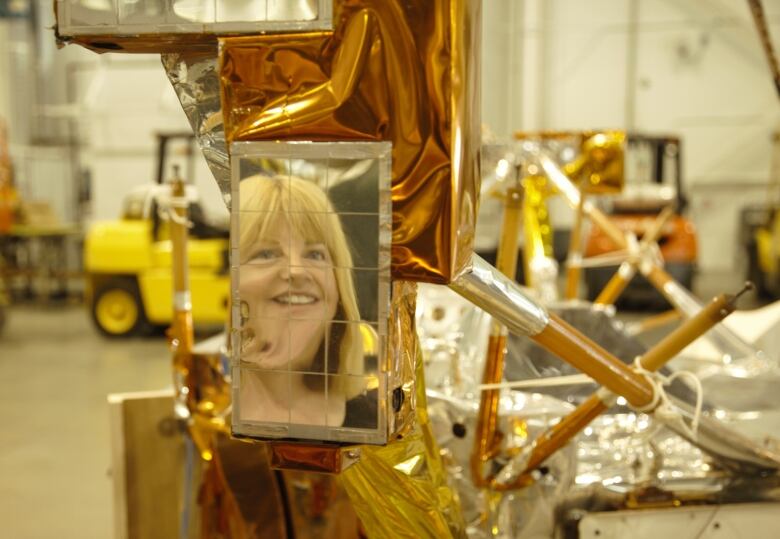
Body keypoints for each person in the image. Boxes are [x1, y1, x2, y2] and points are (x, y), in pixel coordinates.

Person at [237, 173, 376, 429]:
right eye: (265, 253)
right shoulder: (203, 416)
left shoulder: (376, 418)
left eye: (315, 253)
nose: (297, 270)